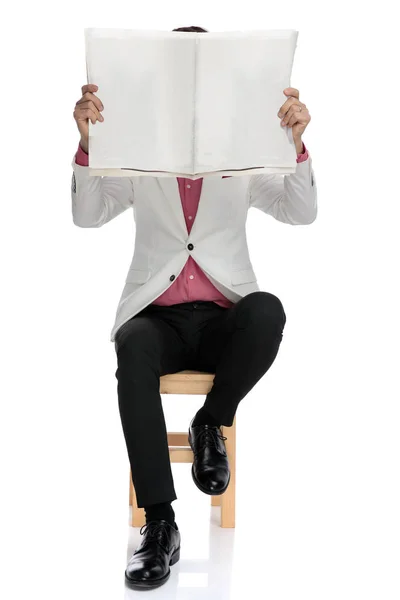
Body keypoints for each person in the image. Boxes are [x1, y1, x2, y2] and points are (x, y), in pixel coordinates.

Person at [71, 24, 317, 591]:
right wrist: (89, 144)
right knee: (131, 348)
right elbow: (88, 216)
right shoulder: (136, 145)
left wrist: (296, 146)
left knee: (268, 310)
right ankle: (160, 524)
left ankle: (212, 421)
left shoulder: (244, 147)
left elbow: (300, 212)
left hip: (221, 316)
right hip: (155, 315)